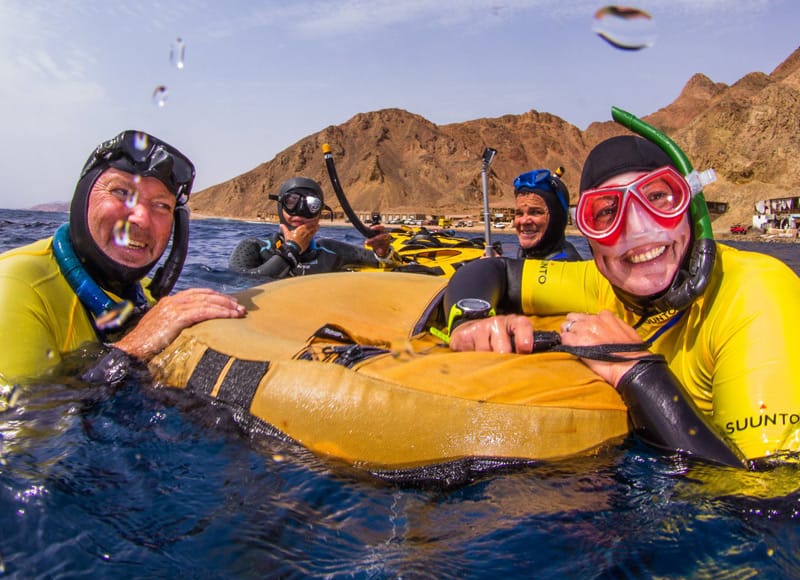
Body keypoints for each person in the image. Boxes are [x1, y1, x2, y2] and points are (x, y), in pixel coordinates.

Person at [442, 119, 800, 468]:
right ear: (590, 237)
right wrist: (469, 318)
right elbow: (495, 270)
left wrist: (636, 371)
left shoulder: (754, 292)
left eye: (659, 198)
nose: (639, 230)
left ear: (690, 207)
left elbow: (766, 502)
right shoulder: (604, 282)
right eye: (607, 212)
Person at [0, 130, 246, 385]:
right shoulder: (14, 285)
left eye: (162, 205)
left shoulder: (148, 299)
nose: (141, 217)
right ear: (82, 197)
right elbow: (27, 418)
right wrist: (133, 348)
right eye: (121, 191)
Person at [229, 176, 400, 278]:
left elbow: (388, 264)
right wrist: (291, 251)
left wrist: (383, 252)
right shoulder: (254, 248)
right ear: (281, 207)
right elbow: (241, 286)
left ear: (320, 213)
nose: (300, 212)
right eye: (292, 202)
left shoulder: (331, 251)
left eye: (312, 205)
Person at [511, 167, 581, 261]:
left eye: (536, 212)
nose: (524, 221)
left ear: (557, 219)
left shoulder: (565, 267)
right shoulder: (531, 254)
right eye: (519, 213)